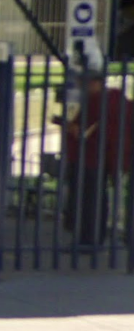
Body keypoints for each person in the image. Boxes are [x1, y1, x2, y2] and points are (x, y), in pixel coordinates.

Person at [53, 72, 134, 247]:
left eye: (85, 83)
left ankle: (88, 238)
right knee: (95, 197)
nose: (83, 87)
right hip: (101, 157)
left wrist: (69, 126)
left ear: (94, 83)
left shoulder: (101, 102)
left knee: (88, 199)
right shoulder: (113, 100)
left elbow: (86, 130)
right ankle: (94, 237)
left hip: (91, 156)